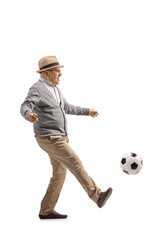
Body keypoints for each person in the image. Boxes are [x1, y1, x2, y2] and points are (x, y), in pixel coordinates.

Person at [20, 56, 112, 219]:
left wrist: (87, 111)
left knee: (59, 173)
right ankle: (97, 196)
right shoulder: (37, 88)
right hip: (49, 138)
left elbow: (67, 107)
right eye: (57, 71)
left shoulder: (56, 89)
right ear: (46, 73)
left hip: (60, 137)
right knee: (75, 162)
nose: (60, 74)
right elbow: (25, 105)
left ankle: (46, 211)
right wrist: (29, 115)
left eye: (60, 70)